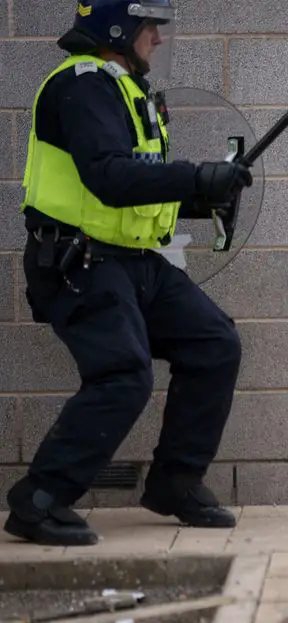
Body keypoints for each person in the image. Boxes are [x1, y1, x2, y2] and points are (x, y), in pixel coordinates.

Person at [5, 0, 252, 547]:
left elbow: (134, 193)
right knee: (123, 375)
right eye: (149, 29)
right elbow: (110, 179)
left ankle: (175, 485)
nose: (157, 41)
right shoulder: (83, 85)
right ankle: (38, 500)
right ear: (117, 28)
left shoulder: (124, 88)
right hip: (80, 261)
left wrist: (206, 193)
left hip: (131, 258)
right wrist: (195, 177)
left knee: (213, 343)